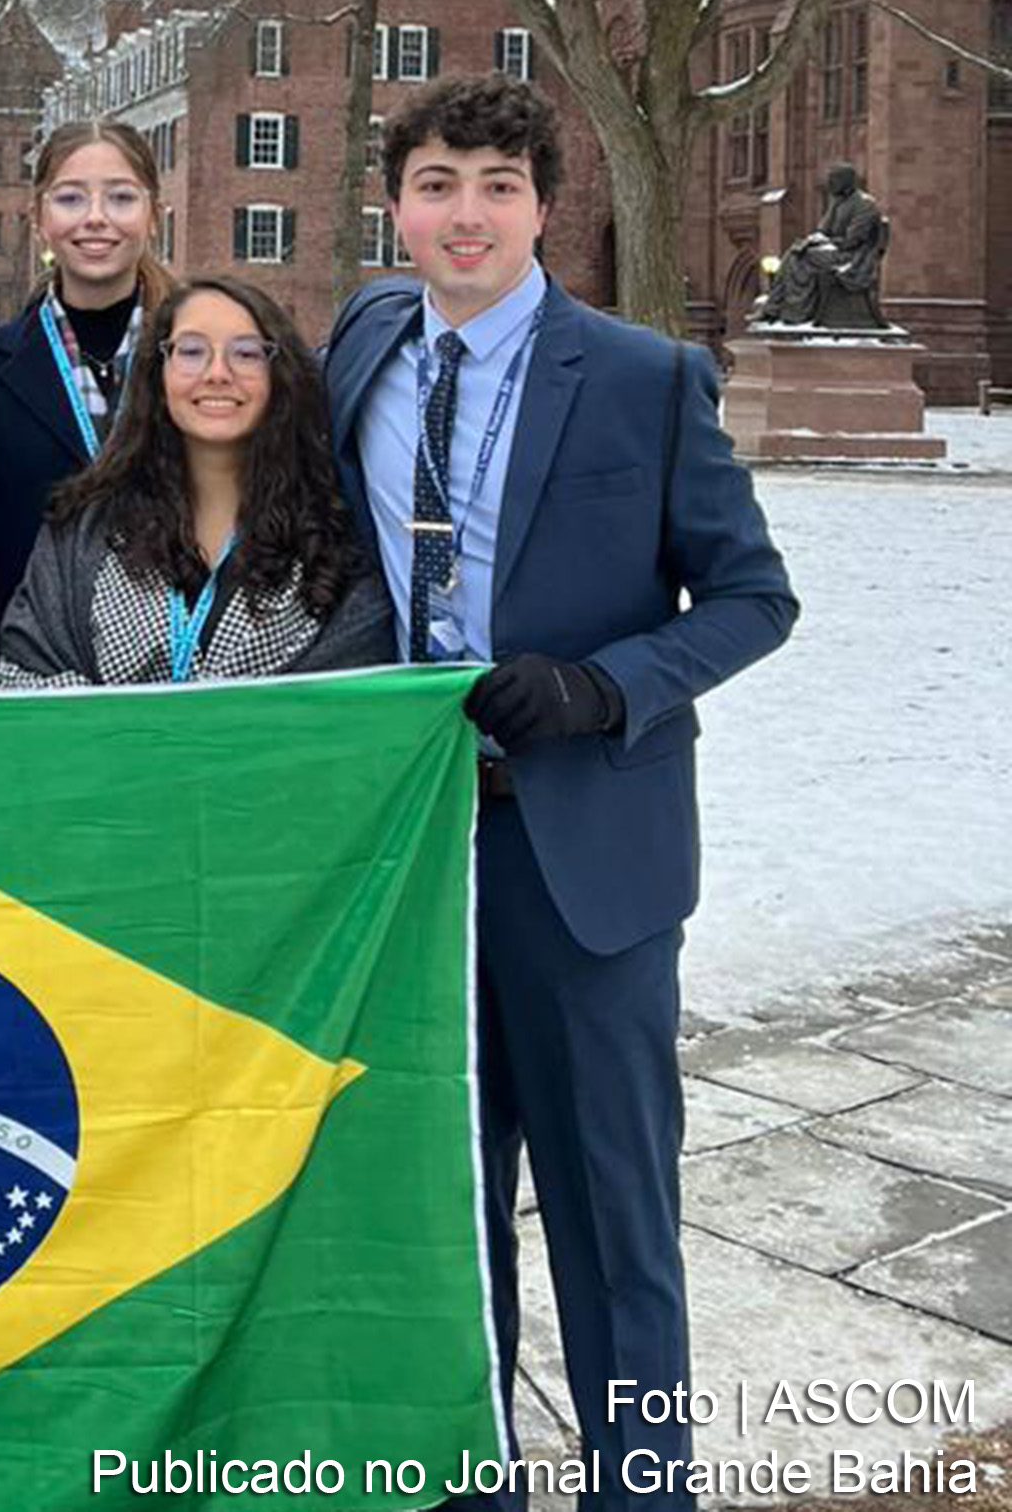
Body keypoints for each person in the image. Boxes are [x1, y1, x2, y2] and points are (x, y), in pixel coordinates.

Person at [323, 75, 799, 1511]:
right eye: (439, 184)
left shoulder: (648, 377)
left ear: (547, 205)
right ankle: (473, 1482)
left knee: (610, 1212)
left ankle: (637, 1484)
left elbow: (753, 599)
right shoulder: (358, 345)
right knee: (441, 1209)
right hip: (413, 863)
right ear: (395, 203)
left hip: (583, 852)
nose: (467, 214)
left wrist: (604, 689)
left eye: (499, 186)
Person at [0, 276, 392, 686]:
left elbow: (353, 707)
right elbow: (22, 678)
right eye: (191, 351)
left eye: (246, 353)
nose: (217, 373)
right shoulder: (84, 529)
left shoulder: (336, 534)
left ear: (279, 375)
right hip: (100, 750)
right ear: (158, 375)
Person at [0, 118, 176, 686]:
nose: (96, 217)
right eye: (71, 198)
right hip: (31, 683)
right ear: (38, 219)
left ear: (154, 216)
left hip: (178, 682)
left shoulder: (202, 358)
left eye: (120, 197)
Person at [753, 162, 887, 329]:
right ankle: (781, 307)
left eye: (834, 180)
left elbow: (852, 241)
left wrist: (825, 242)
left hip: (853, 257)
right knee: (794, 254)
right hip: (836, 250)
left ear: (846, 180)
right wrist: (814, 240)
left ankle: (792, 311)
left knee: (801, 259)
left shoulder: (864, 204)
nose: (829, 184)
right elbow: (823, 229)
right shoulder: (838, 202)